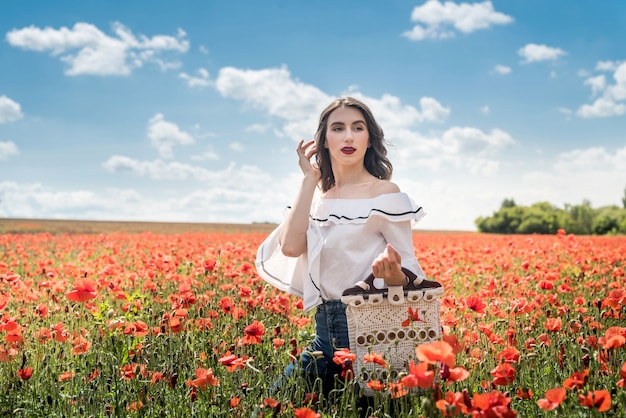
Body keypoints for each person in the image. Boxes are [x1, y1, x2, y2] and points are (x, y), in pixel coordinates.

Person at [255, 96, 428, 401]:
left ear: (369, 140)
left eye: (357, 128)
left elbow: (411, 270)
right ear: (323, 140)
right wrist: (309, 180)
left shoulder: (384, 193)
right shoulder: (319, 198)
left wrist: (394, 276)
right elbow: (291, 247)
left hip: (372, 340)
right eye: (338, 128)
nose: (348, 136)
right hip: (323, 336)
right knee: (273, 406)